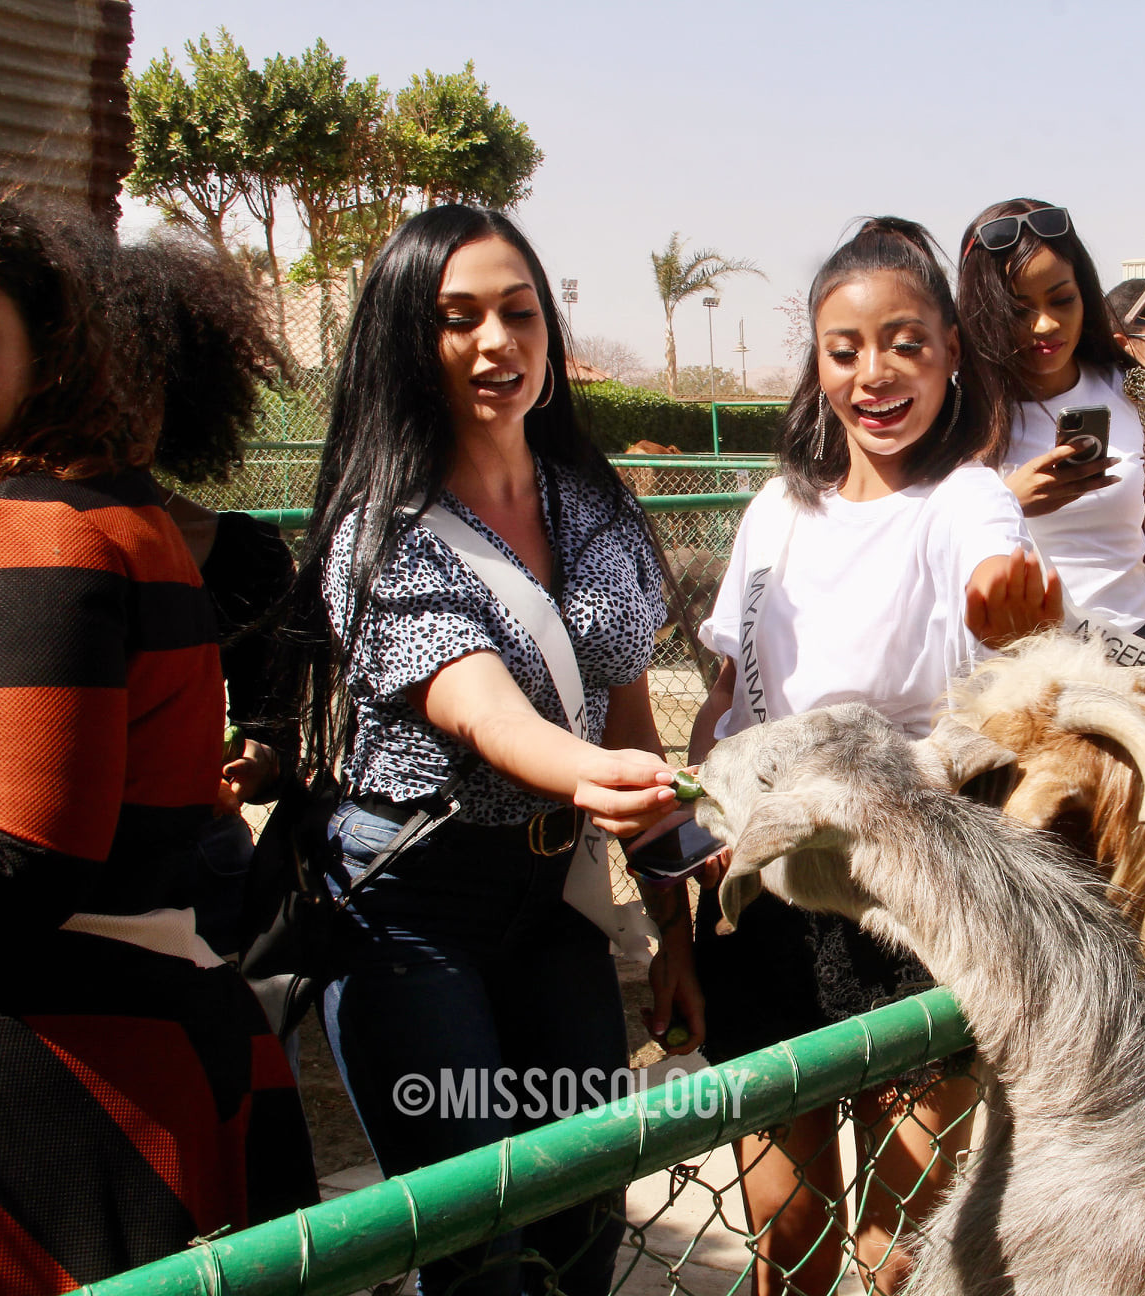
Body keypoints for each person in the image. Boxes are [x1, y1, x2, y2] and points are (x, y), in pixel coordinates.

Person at [291, 205, 700, 1296]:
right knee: (470, 1241)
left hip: (551, 900)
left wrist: (675, 929)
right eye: (457, 318)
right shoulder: (377, 525)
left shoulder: (598, 505)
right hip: (412, 910)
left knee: (583, 1213)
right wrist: (589, 776)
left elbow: (630, 718)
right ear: (406, 346)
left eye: (519, 313)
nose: (496, 342)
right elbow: (480, 707)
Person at [0, 174, 316, 1292]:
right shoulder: (56, 513)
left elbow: (14, 857)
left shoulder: (39, 529)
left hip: (55, 1081)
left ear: (49, 348)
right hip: (116, 1050)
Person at [688, 217, 1056, 1295]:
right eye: (844, 349)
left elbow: (996, 573)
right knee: (786, 1233)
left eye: (904, 343)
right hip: (770, 896)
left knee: (898, 1244)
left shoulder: (964, 498)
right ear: (816, 362)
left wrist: (1009, 605)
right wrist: (691, 848)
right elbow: (727, 690)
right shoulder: (776, 510)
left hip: (912, 899)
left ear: (950, 349)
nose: (874, 373)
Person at [118, 233, 300, 957]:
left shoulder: (240, 555)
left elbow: (274, 727)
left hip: (200, 871)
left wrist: (255, 763)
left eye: (142, 380)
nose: (117, 407)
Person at [956, 199, 1145, 647]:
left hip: (1141, 654)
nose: (1046, 324)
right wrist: (1007, 502)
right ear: (985, 312)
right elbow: (920, 562)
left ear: (1085, 295)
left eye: (1062, 299)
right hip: (1027, 670)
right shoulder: (958, 413)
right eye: (1019, 309)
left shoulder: (1130, 391)